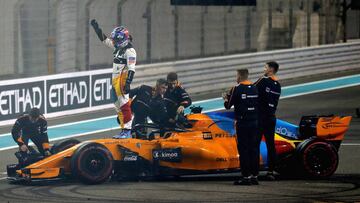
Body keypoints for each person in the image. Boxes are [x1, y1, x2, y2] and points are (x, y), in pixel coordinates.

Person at [90, 19, 136, 138]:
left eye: (116, 39)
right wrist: (97, 28)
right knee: (117, 105)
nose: (114, 41)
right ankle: (123, 129)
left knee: (124, 104)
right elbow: (104, 40)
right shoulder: (118, 47)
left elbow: (132, 69)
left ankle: (127, 130)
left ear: (123, 39)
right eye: (114, 39)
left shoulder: (130, 51)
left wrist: (127, 83)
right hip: (114, 80)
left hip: (122, 79)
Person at [223, 69, 259, 186]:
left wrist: (225, 98)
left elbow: (228, 106)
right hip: (254, 122)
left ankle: (246, 177)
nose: (236, 77)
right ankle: (255, 176)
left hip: (242, 124)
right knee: (253, 149)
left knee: (243, 150)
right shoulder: (254, 87)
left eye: (236, 75)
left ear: (239, 76)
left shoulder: (236, 89)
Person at [254, 61, 281, 181]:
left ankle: (253, 172)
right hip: (271, 118)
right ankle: (271, 171)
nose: (264, 69)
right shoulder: (278, 85)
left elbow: (250, 90)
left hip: (260, 118)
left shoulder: (262, 80)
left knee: (255, 144)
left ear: (270, 69)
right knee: (271, 145)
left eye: (265, 67)